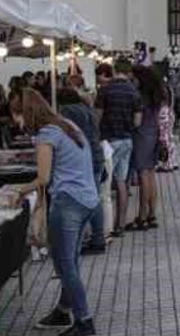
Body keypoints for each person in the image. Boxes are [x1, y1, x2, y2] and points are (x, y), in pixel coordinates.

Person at [9, 89, 100, 336]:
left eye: (16, 116)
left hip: (69, 202)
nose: (16, 123)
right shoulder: (66, 124)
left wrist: (19, 191)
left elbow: (43, 177)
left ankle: (85, 322)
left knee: (65, 266)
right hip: (88, 199)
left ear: (25, 114)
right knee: (71, 261)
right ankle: (63, 310)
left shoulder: (46, 134)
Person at [56, 88, 108, 255]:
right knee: (95, 197)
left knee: (88, 199)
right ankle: (98, 237)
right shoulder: (86, 108)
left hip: (86, 158)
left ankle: (89, 238)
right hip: (97, 154)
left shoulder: (67, 111)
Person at [95, 61, 140, 237]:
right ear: (128, 72)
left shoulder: (105, 90)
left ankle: (105, 228)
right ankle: (120, 224)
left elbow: (96, 117)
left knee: (104, 186)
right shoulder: (134, 92)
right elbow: (137, 121)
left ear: (114, 71)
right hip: (127, 140)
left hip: (108, 141)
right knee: (121, 181)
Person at [127, 66, 164, 230]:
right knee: (150, 175)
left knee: (143, 176)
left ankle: (141, 216)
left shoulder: (140, 96)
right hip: (154, 134)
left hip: (142, 136)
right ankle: (152, 214)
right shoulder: (156, 94)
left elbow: (137, 121)